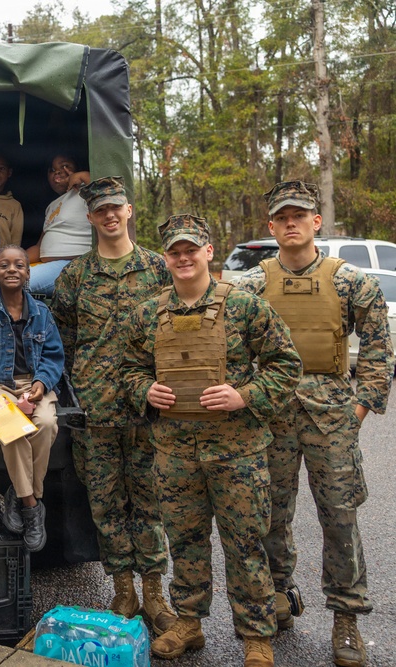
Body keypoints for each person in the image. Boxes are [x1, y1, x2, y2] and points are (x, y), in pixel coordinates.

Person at [123, 214, 301, 667]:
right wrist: (144, 389)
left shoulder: (244, 306)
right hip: (175, 452)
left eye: (191, 249)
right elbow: (127, 369)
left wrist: (243, 395)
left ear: (208, 252)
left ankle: (256, 635)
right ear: (166, 259)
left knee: (245, 543)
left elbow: (286, 363)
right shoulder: (148, 313)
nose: (183, 258)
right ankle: (188, 623)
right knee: (184, 541)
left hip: (236, 452)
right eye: (174, 252)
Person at [235, 181, 394, 667]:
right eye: (282, 216)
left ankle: (346, 619)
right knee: (270, 514)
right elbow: (234, 346)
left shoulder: (350, 280)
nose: (291, 223)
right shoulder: (254, 284)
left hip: (331, 412)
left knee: (339, 517)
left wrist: (361, 407)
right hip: (273, 411)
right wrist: (247, 401)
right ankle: (279, 594)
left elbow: (378, 348)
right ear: (271, 226)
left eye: (299, 215)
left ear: (316, 222)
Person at [49, 176, 176, 629]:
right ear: (91, 217)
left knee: (151, 503)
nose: (109, 215)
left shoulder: (159, 269)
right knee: (105, 503)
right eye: (100, 209)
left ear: (128, 211)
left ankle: (156, 594)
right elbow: (63, 335)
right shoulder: (76, 275)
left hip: (150, 409)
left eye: (115, 207)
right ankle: (123, 591)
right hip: (96, 409)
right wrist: (84, 380)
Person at [0, 245, 63, 551]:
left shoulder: (43, 313)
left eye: (19, 264)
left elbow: (54, 357)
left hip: (34, 384)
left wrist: (42, 385)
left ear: (28, 273)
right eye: (4, 265)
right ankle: (32, 505)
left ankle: (19, 494)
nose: (12, 269)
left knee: (46, 424)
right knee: (12, 432)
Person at [27, 154, 92, 295]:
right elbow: (39, 248)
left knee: (14, 281)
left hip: (74, 265)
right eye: (52, 169)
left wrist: (83, 175)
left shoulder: (85, 192)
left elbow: (106, 191)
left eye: (64, 166)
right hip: (47, 265)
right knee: (4, 277)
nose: (57, 171)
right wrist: (11, 262)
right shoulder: (51, 206)